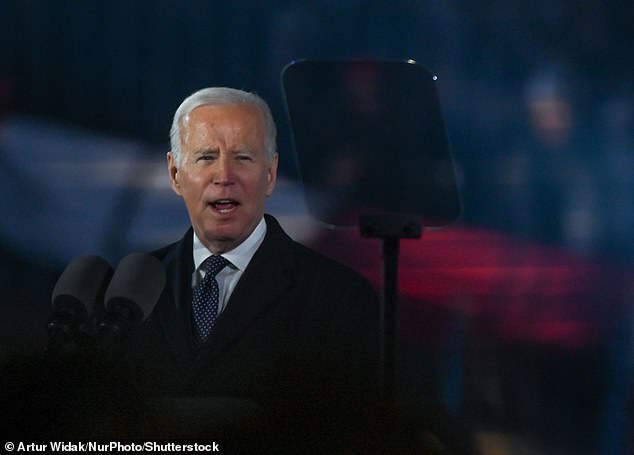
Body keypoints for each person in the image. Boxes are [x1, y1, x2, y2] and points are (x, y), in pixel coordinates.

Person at [121, 87, 383, 450]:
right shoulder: (132, 286)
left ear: (271, 174)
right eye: (206, 157)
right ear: (175, 173)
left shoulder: (339, 299)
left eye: (243, 158)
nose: (223, 175)